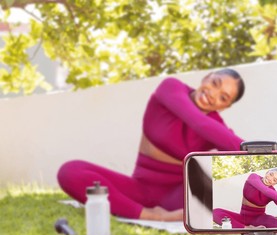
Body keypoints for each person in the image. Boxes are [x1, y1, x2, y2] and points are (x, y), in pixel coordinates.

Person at [57, 68, 245, 221]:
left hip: (178, 197)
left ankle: (163, 212)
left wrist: (266, 155)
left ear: (224, 107)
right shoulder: (171, 88)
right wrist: (156, 214)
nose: (213, 95)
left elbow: (237, 156)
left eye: (223, 98)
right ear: (206, 77)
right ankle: (149, 215)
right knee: (70, 171)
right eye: (214, 83)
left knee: (232, 191)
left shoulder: (217, 127)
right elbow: (197, 122)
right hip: (139, 189)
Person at [213, 169, 277, 228]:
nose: (270, 179)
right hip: (243, 218)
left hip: (259, 218)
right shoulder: (253, 177)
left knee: (274, 222)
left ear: (275, 183)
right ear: (267, 172)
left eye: (274, 180)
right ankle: (246, 228)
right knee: (214, 212)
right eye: (271, 174)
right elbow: (265, 190)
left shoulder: (273, 192)